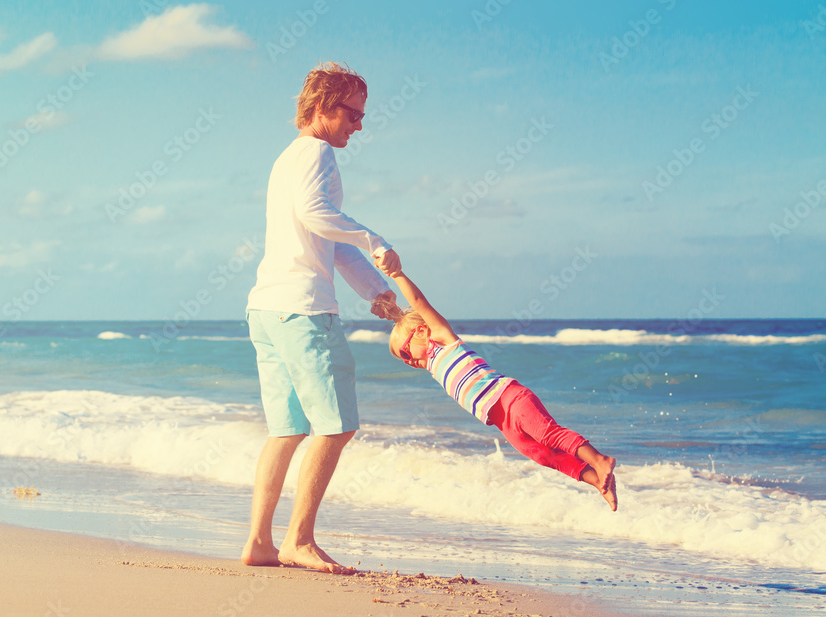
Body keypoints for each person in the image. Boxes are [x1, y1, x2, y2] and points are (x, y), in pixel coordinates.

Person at [241, 62, 401, 574]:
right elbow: (317, 217)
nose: (359, 125)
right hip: (303, 311)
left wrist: (379, 296)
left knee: (287, 429)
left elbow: (324, 241)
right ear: (321, 108)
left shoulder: (287, 159)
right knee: (335, 426)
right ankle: (299, 541)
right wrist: (375, 238)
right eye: (352, 114)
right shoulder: (317, 153)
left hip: (267, 308)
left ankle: (260, 543)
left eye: (361, 115)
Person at [374, 262, 618, 511]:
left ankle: (600, 459)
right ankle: (599, 482)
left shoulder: (442, 338)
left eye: (405, 352)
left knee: (548, 434)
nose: (408, 361)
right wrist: (385, 305)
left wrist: (397, 274)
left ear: (423, 331)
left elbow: (418, 303)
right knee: (543, 455)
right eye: (403, 360)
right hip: (500, 420)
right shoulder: (433, 366)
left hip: (510, 398)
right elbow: (401, 318)